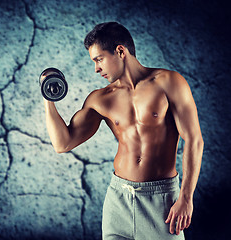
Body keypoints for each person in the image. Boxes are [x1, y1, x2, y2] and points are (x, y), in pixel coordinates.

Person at [44, 22, 204, 239]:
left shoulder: (169, 82)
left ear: (120, 51)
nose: (96, 69)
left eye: (99, 59)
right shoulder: (101, 98)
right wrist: (48, 99)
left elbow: (194, 140)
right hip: (118, 200)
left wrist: (186, 197)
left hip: (161, 203)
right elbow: (63, 143)